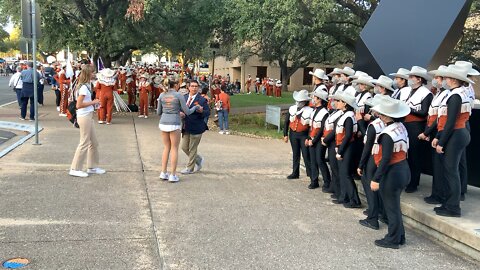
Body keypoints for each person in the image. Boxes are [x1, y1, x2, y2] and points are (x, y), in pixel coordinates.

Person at [370, 97, 411, 249]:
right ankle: (400, 236)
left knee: (391, 208)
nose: (379, 116)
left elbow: (385, 158)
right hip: (403, 169)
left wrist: (376, 178)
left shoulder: (387, 133)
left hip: (393, 173)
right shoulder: (401, 127)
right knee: (395, 206)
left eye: (381, 114)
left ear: (387, 116)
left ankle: (392, 239)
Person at [432, 64, 472, 217]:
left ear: (454, 80)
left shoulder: (456, 95)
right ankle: (448, 203)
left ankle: (453, 207)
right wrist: (438, 137)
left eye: (447, 77)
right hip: (456, 133)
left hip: (456, 133)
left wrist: (441, 141)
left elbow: (451, 121)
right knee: (450, 171)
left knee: (451, 171)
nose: (444, 80)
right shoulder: (458, 93)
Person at [157, 78, 201, 182]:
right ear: (176, 85)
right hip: (174, 123)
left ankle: (163, 172)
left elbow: (158, 112)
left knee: (166, 148)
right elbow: (187, 111)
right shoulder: (178, 95)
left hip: (163, 122)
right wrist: (196, 107)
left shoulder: (162, 95)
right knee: (174, 148)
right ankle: (173, 174)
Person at [418, 65, 450, 205]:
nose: (435, 80)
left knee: (439, 165)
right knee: (436, 165)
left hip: (438, 131)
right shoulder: (439, 93)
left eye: (438, 78)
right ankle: (436, 193)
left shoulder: (446, 94)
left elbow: (439, 118)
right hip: (433, 130)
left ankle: (440, 194)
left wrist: (427, 132)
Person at [357, 95, 387, 230]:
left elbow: (367, 144)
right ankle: (381, 213)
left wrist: (360, 164)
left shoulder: (374, 125)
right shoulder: (386, 123)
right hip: (381, 157)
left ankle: (373, 217)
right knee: (379, 188)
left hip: (373, 157)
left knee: (370, 188)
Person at [69, 65, 105, 178]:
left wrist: (93, 103)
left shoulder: (87, 85)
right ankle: (75, 168)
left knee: (94, 143)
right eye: (93, 72)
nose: (94, 74)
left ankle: (92, 167)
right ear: (88, 74)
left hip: (88, 115)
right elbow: (79, 105)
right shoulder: (83, 87)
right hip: (84, 116)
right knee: (84, 142)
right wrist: (93, 102)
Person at [403, 66, 433, 193]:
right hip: (405, 125)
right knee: (406, 155)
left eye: (411, 77)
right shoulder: (407, 91)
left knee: (415, 155)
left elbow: (424, 112)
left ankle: (414, 183)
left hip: (416, 126)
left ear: (419, 79)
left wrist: (409, 109)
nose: (409, 79)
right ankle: (407, 179)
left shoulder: (426, 93)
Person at [331, 91, 361, 208]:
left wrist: (341, 150)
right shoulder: (345, 114)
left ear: (345, 104)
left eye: (339, 101)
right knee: (343, 174)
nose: (337, 103)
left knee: (346, 174)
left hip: (347, 148)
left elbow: (348, 135)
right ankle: (344, 197)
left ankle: (355, 200)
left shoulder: (348, 116)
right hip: (343, 146)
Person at [180, 80, 211, 174]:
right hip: (186, 127)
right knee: (184, 147)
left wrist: (202, 111)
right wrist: (180, 113)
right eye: (192, 86)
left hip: (197, 127)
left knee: (193, 148)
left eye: (196, 86)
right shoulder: (184, 97)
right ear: (188, 87)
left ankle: (190, 168)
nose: (194, 88)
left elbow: (207, 112)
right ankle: (198, 159)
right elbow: (180, 108)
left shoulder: (202, 100)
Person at [284, 90, 313, 179]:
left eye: (301, 101)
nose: (298, 103)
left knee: (306, 154)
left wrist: (309, 137)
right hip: (293, 133)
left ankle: (311, 173)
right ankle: (295, 172)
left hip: (303, 135)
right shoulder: (292, 108)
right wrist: (285, 134)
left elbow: (311, 126)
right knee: (295, 154)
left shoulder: (310, 110)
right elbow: (286, 122)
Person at [306, 89, 330, 190]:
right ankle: (314, 180)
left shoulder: (325, 112)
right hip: (312, 138)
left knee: (320, 160)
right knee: (313, 160)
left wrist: (314, 140)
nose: (313, 99)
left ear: (319, 99)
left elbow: (321, 129)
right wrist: (308, 138)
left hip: (319, 140)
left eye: (315, 97)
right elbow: (310, 126)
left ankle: (327, 182)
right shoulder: (314, 111)